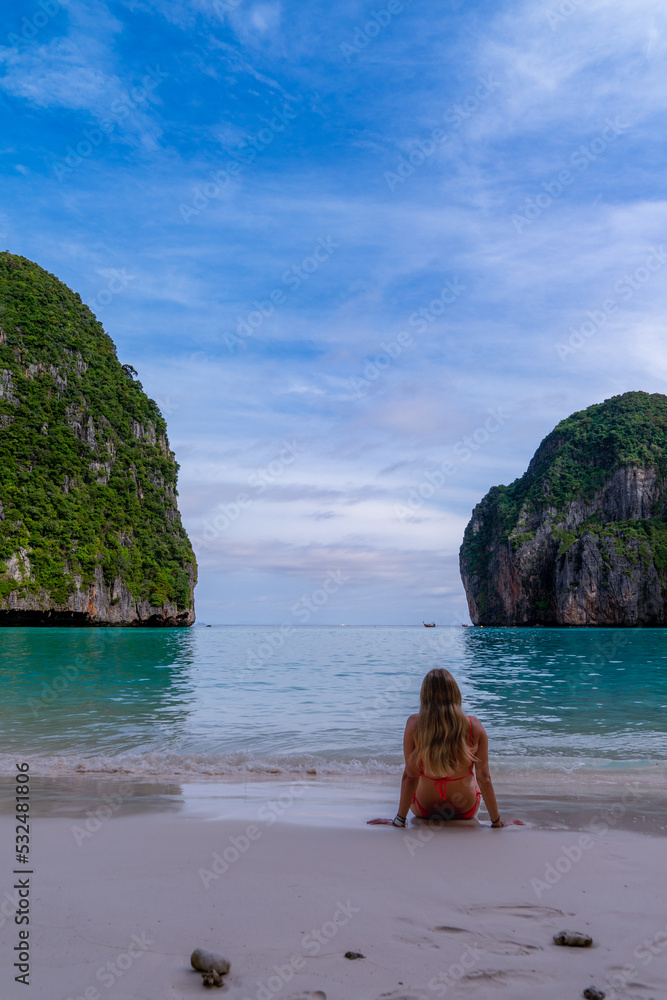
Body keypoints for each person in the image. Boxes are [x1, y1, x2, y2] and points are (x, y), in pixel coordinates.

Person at [368, 667, 505, 828]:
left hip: (425, 809)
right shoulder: (473, 726)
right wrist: (497, 822)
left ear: (425, 696)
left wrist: (399, 820)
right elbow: (484, 778)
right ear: (456, 694)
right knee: (473, 778)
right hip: (465, 809)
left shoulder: (414, 724)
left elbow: (410, 777)